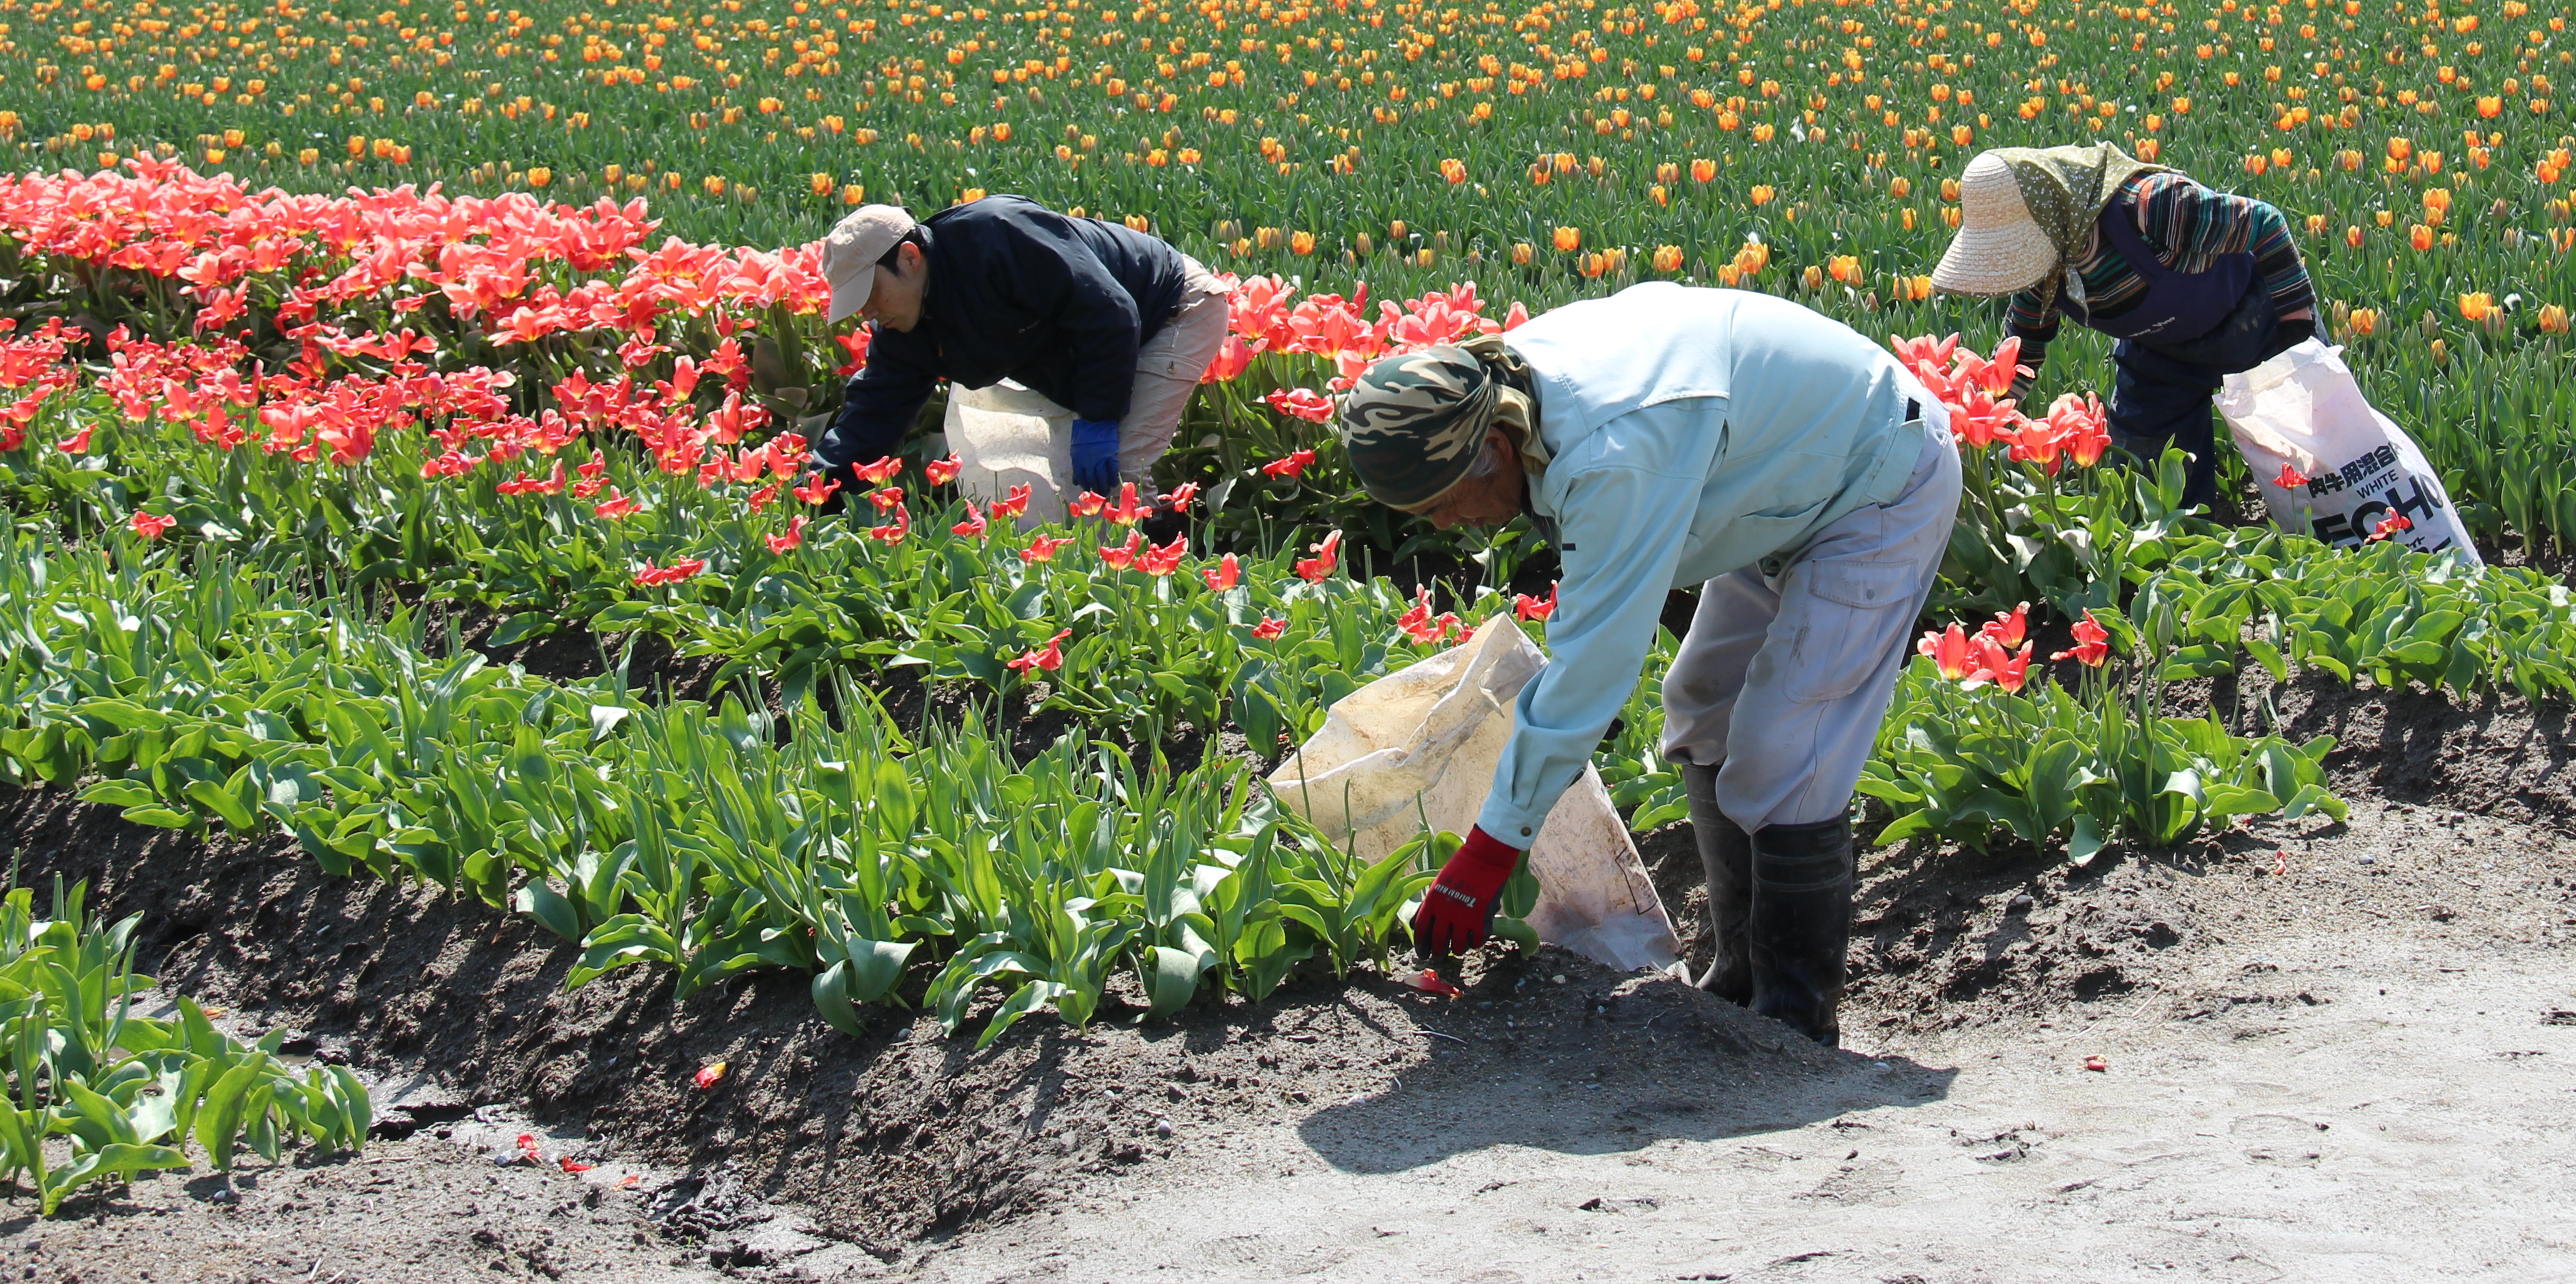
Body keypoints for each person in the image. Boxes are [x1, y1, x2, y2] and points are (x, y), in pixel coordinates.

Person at [1339, 283, 1962, 1045]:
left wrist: (1493, 846)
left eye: (1442, 501)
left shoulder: (1613, 452)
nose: (1443, 524)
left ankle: (1795, 1024)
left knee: (1783, 748)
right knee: (1701, 704)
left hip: (1873, 480)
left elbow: (1592, 671)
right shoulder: (1514, 395)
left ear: (1494, 448)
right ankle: (1738, 975)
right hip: (1769, 479)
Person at [1926, 145, 2317, 511]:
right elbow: (2022, 352)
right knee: (2153, 490)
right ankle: (2194, 559)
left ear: (2051, 216)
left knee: (2316, 461)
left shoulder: (2151, 205)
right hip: (2161, 355)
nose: (2018, 262)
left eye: (2018, 247)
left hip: (2253, 322)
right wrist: (1970, 422)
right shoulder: (2043, 270)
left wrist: (2297, 331)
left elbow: (2265, 223)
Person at [811, 197, 1231, 529]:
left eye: (870, 292)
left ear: (909, 258)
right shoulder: (904, 332)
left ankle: (1169, 574)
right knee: (1077, 480)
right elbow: (872, 417)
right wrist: (812, 497)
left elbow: (1109, 312)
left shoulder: (997, 237)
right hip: (1098, 342)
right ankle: (1137, 557)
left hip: (1172, 308)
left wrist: (1099, 417)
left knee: (1118, 469)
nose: (866, 311)